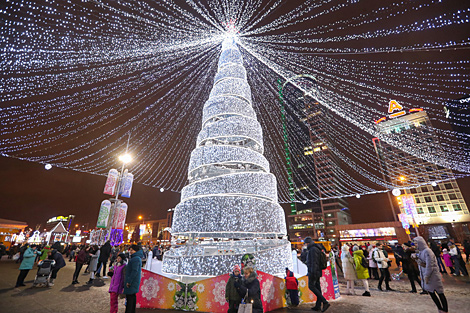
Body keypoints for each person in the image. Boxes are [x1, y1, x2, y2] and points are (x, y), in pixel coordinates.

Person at [414, 236, 448, 313]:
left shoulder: (427, 251)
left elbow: (430, 265)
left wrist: (426, 276)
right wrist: (416, 259)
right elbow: (423, 264)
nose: (415, 245)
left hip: (432, 276)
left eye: (416, 243)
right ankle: (440, 309)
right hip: (426, 275)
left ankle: (445, 310)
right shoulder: (421, 252)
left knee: (439, 293)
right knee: (432, 293)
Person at [305, 237, 330, 312]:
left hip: (314, 272)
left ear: (307, 243)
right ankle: (318, 305)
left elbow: (314, 262)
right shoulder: (316, 248)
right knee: (317, 288)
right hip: (317, 271)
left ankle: (325, 302)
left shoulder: (313, 250)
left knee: (311, 286)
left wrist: (312, 272)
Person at [124, 244, 143, 313]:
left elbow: (134, 271)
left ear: (136, 250)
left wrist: (129, 281)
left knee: (130, 299)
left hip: (132, 281)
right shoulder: (136, 258)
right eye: (130, 250)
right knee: (132, 297)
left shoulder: (135, 259)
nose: (130, 251)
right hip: (134, 281)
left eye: (132, 250)